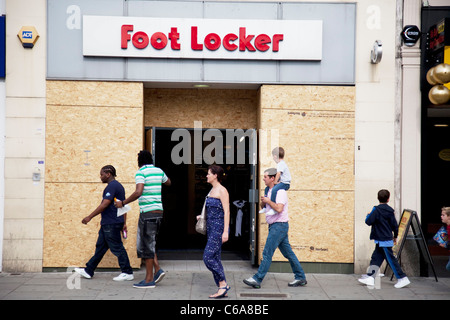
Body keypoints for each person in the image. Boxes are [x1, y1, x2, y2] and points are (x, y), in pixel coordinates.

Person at [115, 150, 171, 288]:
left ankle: (148, 280)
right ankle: (157, 270)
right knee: (149, 243)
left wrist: (123, 203)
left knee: (147, 246)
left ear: (139, 162)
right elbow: (168, 182)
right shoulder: (158, 171)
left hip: (147, 213)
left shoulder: (141, 173)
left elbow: (138, 191)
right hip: (159, 212)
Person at [244, 168, 307, 289]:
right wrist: (264, 202)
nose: (263, 178)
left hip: (279, 226)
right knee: (288, 253)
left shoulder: (280, 192)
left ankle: (257, 279)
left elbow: (279, 209)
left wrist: (268, 201)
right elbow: (266, 206)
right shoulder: (269, 190)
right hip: (276, 226)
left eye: (265, 177)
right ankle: (300, 277)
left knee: (267, 253)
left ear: (272, 178)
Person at [75, 165, 134, 281]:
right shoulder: (118, 186)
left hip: (111, 223)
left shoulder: (112, 186)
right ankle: (88, 270)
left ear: (108, 174)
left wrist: (89, 217)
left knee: (117, 247)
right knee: (101, 247)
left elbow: (105, 204)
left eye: (102, 174)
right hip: (111, 222)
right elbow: (123, 206)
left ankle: (127, 272)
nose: (100, 177)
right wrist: (124, 223)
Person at [358, 189, 410, 288]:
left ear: (378, 198)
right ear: (388, 199)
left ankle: (402, 278)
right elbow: (395, 226)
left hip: (381, 239)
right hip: (386, 238)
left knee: (391, 260)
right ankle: (370, 277)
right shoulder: (390, 211)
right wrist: (395, 236)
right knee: (376, 258)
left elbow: (368, 221)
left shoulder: (376, 210)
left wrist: (369, 214)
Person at [198, 165, 231, 298]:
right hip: (211, 228)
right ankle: (221, 287)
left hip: (218, 228)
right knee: (215, 258)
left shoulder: (222, 190)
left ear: (215, 175)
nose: (207, 176)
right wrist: (202, 217)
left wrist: (225, 231)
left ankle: (223, 284)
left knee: (208, 257)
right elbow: (212, 209)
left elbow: (227, 211)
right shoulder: (212, 190)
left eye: (209, 173)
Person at [259, 147, 291, 216]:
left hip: (285, 183)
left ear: (275, 156)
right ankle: (265, 208)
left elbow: (278, 173)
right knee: (267, 189)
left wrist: (275, 182)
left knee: (274, 190)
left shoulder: (280, 164)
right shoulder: (281, 164)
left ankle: (273, 209)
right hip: (283, 182)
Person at [440, 207, 450, 271]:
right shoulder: (448, 226)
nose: (441, 216)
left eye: (443, 215)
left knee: (448, 267)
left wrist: (446, 245)